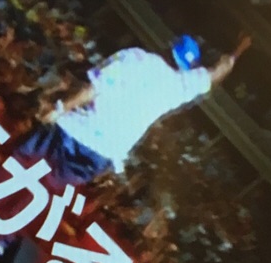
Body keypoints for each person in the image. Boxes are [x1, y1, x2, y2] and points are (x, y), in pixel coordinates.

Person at [24, 32, 249, 188]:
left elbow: (93, 89)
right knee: (47, 191)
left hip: (75, 129)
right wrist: (238, 52)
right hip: (105, 152)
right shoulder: (182, 86)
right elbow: (219, 71)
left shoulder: (135, 57)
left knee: (21, 163)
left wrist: (60, 108)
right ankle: (8, 233)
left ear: (170, 46)